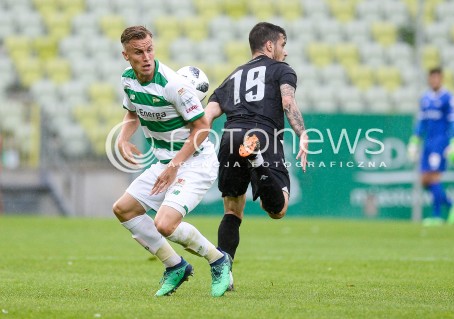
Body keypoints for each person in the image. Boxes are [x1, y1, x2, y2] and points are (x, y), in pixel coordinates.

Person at [112, 26, 231, 297]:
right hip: (166, 161)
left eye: (149, 50)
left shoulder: (173, 84)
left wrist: (174, 166)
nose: (146, 57)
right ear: (126, 56)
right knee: (124, 209)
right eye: (138, 52)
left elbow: (202, 128)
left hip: (196, 161)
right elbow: (132, 113)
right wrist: (122, 138)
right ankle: (175, 265)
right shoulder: (128, 80)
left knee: (164, 224)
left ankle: (218, 260)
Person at [205, 22, 309, 290]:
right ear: (270, 45)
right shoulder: (282, 70)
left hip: (230, 137)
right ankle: (257, 161)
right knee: (277, 209)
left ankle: (223, 274)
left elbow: (209, 113)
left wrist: (195, 143)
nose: (285, 52)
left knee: (232, 210)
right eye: (283, 45)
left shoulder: (233, 76)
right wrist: (303, 134)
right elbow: (288, 103)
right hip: (263, 136)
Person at [407, 67, 454, 226]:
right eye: (432, 78)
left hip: (441, 142)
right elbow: (421, 122)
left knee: (434, 177)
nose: (434, 81)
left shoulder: (448, 98)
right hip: (428, 142)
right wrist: (415, 140)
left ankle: (437, 216)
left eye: (437, 78)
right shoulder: (425, 98)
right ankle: (451, 205)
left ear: (441, 79)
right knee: (424, 179)